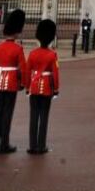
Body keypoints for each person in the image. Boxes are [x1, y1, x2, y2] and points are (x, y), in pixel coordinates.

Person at [0, 9, 28, 154]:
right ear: (17, 32)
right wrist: (22, 83)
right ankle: (4, 143)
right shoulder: (18, 48)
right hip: (11, 83)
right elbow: (23, 68)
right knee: (7, 114)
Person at [27, 19, 60, 154]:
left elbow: (27, 71)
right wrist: (56, 89)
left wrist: (27, 86)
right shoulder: (52, 54)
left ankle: (32, 145)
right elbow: (55, 74)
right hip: (46, 88)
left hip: (33, 87)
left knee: (33, 116)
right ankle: (41, 145)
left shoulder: (33, 53)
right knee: (44, 116)